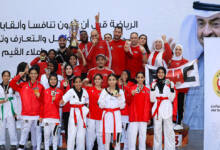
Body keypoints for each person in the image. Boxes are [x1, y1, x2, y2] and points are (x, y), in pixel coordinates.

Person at [179, 1, 220, 130]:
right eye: (201, 23)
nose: (206, 32)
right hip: (191, 140)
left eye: (215, 24)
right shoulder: (191, 62)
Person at [10, 66, 44, 150]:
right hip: (26, 114)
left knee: (36, 133)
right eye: (31, 73)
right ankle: (21, 146)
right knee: (25, 131)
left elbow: (43, 102)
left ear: (37, 75)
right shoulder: (23, 85)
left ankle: (36, 147)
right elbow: (11, 84)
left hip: (37, 114)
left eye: (35, 73)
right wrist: (19, 76)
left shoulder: (40, 86)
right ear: (29, 74)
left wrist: (41, 115)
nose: (33, 75)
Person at [60, 76, 89, 150]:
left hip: (82, 113)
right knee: (72, 134)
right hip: (74, 113)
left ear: (81, 83)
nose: (78, 83)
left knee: (81, 134)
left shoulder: (85, 91)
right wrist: (61, 102)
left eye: (79, 82)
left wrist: (86, 109)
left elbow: (87, 102)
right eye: (76, 82)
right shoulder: (70, 91)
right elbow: (62, 101)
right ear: (74, 83)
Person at [150, 67, 176, 150]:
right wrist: (153, 89)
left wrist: (172, 88)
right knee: (157, 131)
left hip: (167, 106)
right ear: (156, 74)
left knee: (169, 130)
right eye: (159, 72)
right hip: (157, 106)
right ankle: (157, 148)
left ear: (165, 73)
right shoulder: (153, 83)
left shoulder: (169, 83)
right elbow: (152, 99)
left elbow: (172, 98)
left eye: (162, 72)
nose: (160, 74)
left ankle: (170, 148)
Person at [98, 74, 125, 150]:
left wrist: (119, 97)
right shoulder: (104, 91)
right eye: (110, 80)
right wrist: (105, 95)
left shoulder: (120, 91)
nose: (112, 81)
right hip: (106, 115)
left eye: (113, 79)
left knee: (117, 138)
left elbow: (122, 106)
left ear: (116, 81)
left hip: (116, 116)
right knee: (106, 138)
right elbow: (101, 105)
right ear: (108, 81)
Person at [128, 72, 151, 150]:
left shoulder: (147, 90)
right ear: (136, 78)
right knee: (132, 138)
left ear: (144, 78)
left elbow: (149, 105)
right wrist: (131, 94)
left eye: (142, 77)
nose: (140, 79)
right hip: (134, 117)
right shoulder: (131, 88)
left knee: (142, 137)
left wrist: (148, 117)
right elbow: (127, 102)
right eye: (138, 77)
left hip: (143, 118)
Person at [168, 44, 189, 130]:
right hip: (172, 89)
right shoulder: (170, 62)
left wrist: (194, 64)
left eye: (179, 49)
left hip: (182, 88)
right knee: (171, 106)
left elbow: (189, 73)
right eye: (176, 49)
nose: (177, 51)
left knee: (180, 106)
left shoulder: (186, 62)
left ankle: (179, 122)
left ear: (182, 51)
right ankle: (172, 122)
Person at [40, 73, 63, 150]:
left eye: (55, 79)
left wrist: (55, 100)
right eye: (51, 79)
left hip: (56, 118)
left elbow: (61, 104)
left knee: (55, 135)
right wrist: (41, 116)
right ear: (48, 81)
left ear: (57, 81)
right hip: (46, 117)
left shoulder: (60, 91)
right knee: (46, 135)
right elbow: (42, 105)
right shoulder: (45, 91)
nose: (53, 81)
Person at [85, 74, 104, 150]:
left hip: (101, 116)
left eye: (99, 79)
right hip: (91, 116)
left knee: (100, 136)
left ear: (102, 80)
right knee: (90, 136)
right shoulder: (89, 90)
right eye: (96, 79)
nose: (97, 80)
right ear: (93, 81)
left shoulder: (105, 91)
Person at [0, 71, 18, 150]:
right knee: (1, 127)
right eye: (5, 76)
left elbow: (15, 99)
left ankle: (13, 143)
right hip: (1, 108)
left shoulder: (12, 87)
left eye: (8, 76)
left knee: (12, 127)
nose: (6, 77)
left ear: (10, 77)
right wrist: (2, 101)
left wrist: (15, 111)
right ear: (2, 77)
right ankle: (1, 142)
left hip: (10, 108)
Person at [118, 70, 134, 150]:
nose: (123, 75)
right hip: (118, 111)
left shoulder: (131, 84)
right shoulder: (117, 84)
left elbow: (131, 95)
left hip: (127, 111)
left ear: (128, 76)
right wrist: (119, 85)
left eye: (125, 74)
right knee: (120, 131)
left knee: (127, 131)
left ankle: (126, 147)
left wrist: (124, 85)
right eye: (122, 74)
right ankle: (119, 147)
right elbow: (115, 94)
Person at [59, 64, 75, 142]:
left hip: (75, 107)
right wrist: (64, 87)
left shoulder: (76, 80)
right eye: (67, 69)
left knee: (74, 126)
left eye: (70, 68)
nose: (68, 70)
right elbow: (61, 94)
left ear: (72, 70)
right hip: (66, 108)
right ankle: (69, 143)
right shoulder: (62, 81)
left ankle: (74, 142)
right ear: (65, 71)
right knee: (67, 126)